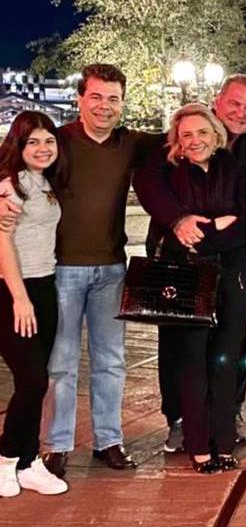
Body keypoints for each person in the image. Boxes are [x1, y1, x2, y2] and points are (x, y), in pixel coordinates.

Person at [37, 64, 160, 478]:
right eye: (96, 97)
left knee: (111, 360)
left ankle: (109, 439)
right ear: (80, 99)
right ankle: (56, 444)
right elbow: (18, 166)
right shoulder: (57, 141)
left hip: (111, 267)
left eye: (113, 99)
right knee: (62, 362)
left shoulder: (130, 143)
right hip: (62, 268)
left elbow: (190, 139)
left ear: (123, 102)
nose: (105, 107)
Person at [134, 74, 246, 450]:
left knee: (233, 342)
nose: (241, 114)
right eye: (235, 104)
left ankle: (229, 411)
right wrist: (179, 219)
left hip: (235, 262)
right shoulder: (181, 135)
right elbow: (148, 183)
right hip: (181, 260)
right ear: (218, 100)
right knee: (179, 341)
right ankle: (179, 417)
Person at [0, 112, 67, 497]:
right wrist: (19, 298)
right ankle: (8, 456)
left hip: (44, 285)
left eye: (49, 142)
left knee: (37, 379)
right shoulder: (10, 186)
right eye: (33, 142)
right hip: (12, 290)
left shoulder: (44, 182)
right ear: (18, 146)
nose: (43, 149)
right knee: (32, 379)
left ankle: (28, 463)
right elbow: (2, 243)